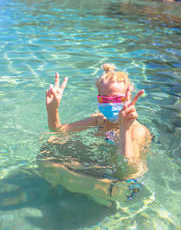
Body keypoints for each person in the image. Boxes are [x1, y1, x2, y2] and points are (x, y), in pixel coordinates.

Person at [39, 64, 151, 205]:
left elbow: (128, 170)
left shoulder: (137, 130)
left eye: (117, 99)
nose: (110, 104)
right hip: (103, 170)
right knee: (48, 150)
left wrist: (124, 128)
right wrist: (53, 109)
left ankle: (89, 193)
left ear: (128, 98)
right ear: (98, 98)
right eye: (105, 99)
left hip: (125, 186)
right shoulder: (99, 120)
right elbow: (59, 131)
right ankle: (84, 189)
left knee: (58, 171)